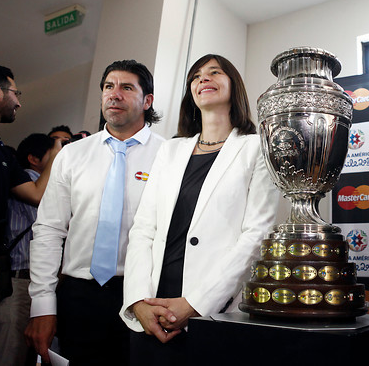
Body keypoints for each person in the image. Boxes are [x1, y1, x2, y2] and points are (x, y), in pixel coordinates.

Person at [119, 54, 278, 365]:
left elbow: (257, 236)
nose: (204, 79)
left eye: (215, 72)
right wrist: (138, 300)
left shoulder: (256, 148)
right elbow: (143, 229)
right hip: (151, 310)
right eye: (196, 76)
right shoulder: (170, 149)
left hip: (212, 311)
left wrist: (193, 304)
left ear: (234, 86)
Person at [25, 60, 165, 365]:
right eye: (108, 87)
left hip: (142, 295)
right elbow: (48, 230)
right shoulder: (72, 155)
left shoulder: (169, 156)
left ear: (147, 101)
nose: (114, 94)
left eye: (127, 87)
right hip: (78, 296)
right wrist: (43, 305)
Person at [0, 64, 60, 365]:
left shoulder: (0, 148)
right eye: (15, 93)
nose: (18, 102)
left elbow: (36, 194)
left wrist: (56, 155)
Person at [0, 133, 55, 366]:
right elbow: (39, 196)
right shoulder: (27, 182)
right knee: (7, 353)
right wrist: (58, 155)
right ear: (34, 159)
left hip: (30, 283)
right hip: (18, 283)